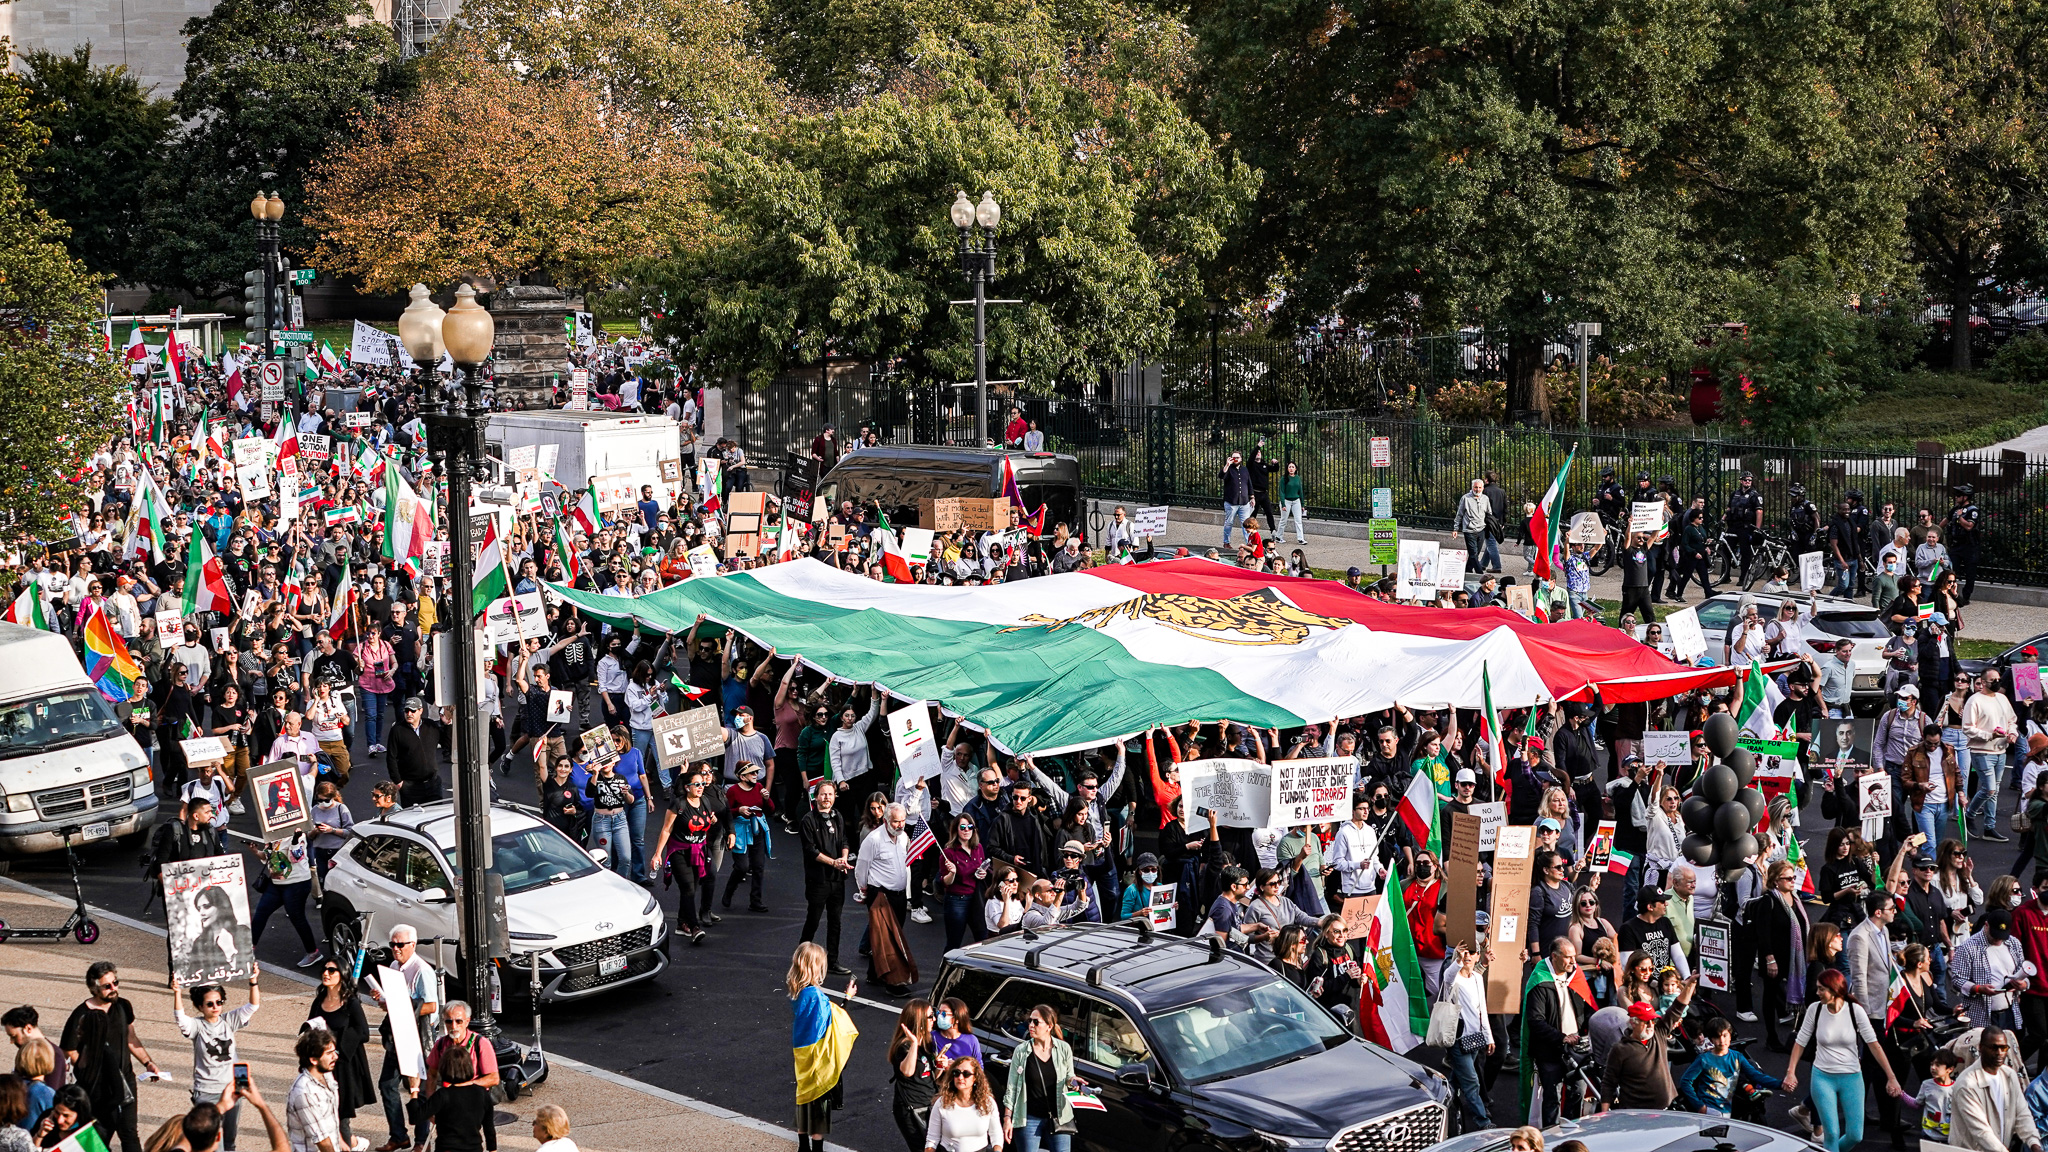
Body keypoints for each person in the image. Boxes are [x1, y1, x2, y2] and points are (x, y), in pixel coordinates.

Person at [1783, 968, 1902, 1152]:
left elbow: (1874, 1045)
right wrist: (1791, 1073)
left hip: (1851, 1077)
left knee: (1856, 1135)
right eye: (1817, 988)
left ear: (1835, 989)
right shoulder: (1815, 1010)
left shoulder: (1855, 1011)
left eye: (1822, 989)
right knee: (1831, 1134)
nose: (1817, 993)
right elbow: (1800, 1043)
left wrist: (1891, 1077)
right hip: (1822, 1077)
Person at [62, 961, 157, 1152]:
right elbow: (69, 1049)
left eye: (116, 983)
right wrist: (88, 1070)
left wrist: (148, 1063)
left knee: (129, 1133)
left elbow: (131, 1038)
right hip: (97, 1088)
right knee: (98, 1135)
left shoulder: (122, 1006)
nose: (114, 989)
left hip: (124, 1081)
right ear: (94, 988)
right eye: (107, 986)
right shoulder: (81, 1015)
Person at [173, 968, 260, 1151]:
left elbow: (253, 1006)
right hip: (207, 1093)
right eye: (210, 1004)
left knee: (229, 1142)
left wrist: (253, 981)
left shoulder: (229, 1020)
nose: (216, 1007)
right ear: (200, 1007)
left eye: (219, 1002)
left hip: (232, 1090)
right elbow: (181, 1019)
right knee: (213, 1145)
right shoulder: (197, 1026)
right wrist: (177, 992)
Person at [368, 925, 436, 1152]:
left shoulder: (422, 970)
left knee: (421, 1089)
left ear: (413, 945)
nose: (396, 949)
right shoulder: (394, 966)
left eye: (400, 945)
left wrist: (403, 1007)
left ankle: (421, 1141)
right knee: (387, 1085)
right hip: (397, 1033)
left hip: (415, 1036)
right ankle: (398, 1135)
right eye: (393, 945)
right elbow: (394, 1003)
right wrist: (384, 1000)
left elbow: (432, 1006)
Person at [789, 943, 857, 1152]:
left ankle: (802, 1147)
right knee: (819, 1108)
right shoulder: (816, 997)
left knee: (804, 1097)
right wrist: (847, 1000)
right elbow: (832, 1022)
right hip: (819, 1059)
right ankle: (816, 1148)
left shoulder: (797, 992)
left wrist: (845, 1000)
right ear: (815, 967)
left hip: (803, 1055)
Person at [1522, 938, 1596, 1125]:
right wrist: (1562, 1038)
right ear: (1554, 957)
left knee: (1576, 1094)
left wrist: (1585, 1031)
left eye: (1574, 957)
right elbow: (1535, 1021)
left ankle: (1571, 1139)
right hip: (1550, 1052)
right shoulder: (1539, 981)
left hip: (1576, 1049)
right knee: (1552, 1099)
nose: (1574, 962)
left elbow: (1588, 1008)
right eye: (1569, 957)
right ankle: (1551, 1140)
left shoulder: (1575, 976)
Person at [303, 960, 372, 1148]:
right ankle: (354, 1144)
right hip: (322, 1067)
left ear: (342, 974)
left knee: (341, 1117)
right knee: (323, 1114)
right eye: (324, 969)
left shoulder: (351, 1003)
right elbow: (311, 1026)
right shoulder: (319, 1000)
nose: (326, 973)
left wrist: (337, 1044)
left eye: (332, 970)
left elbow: (363, 1032)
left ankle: (350, 1145)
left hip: (344, 1066)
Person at [1601, 979, 1698, 1110]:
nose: (1651, 1025)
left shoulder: (1659, 1032)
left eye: (1653, 1020)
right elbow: (1608, 1083)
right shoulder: (1620, 1049)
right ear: (1633, 1022)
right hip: (1635, 1115)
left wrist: (1691, 984)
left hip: (1666, 1110)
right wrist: (1605, 1113)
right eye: (1646, 1021)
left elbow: (1677, 1007)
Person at [1948, 1026, 2043, 1152]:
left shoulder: (2009, 1075)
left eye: (2003, 1048)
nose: (1999, 1053)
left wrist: (2034, 1143)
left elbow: (2022, 1114)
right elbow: (1981, 1132)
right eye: (1994, 1048)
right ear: (1980, 1048)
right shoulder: (1967, 1084)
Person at [858, 802, 918, 994]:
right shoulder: (873, 840)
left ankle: (873, 974)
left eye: (903, 821)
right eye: (896, 821)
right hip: (880, 895)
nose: (900, 825)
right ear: (885, 821)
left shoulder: (903, 838)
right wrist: (864, 892)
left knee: (893, 933)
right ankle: (893, 982)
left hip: (899, 895)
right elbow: (861, 867)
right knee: (889, 939)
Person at [1001, 1006, 1078, 1152]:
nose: (1030, 1025)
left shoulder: (1063, 1048)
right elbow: (1012, 1087)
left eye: (1036, 1022)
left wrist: (1075, 1082)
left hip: (1059, 1117)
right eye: (1030, 1021)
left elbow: (1069, 1077)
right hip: (1029, 1117)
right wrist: (1007, 1118)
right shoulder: (1022, 1051)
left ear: (1049, 1026)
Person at [1678, 1015, 1782, 1116]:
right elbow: (1685, 1081)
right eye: (1717, 1037)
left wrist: (1781, 1084)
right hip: (1713, 1102)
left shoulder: (1733, 1054)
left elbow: (1755, 1074)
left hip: (1727, 1105)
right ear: (1711, 1039)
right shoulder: (1703, 1058)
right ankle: (1748, 1088)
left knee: (1750, 1065)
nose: (1722, 1040)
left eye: (1724, 1035)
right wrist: (1700, 1107)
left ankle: (1753, 1087)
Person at [799, 781, 854, 975]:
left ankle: (832, 961)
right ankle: (801, 958)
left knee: (835, 921)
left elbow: (844, 840)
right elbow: (810, 850)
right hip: (818, 880)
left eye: (830, 794)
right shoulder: (808, 820)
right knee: (813, 920)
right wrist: (833, 863)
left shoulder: (837, 816)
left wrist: (844, 858)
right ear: (815, 797)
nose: (827, 798)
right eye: (823, 794)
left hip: (837, 879)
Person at [402, 1044, 491, 1152]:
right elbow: (489, 1127)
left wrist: (414, 1089)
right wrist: (493, 1149)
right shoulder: (481, 1093)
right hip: (474, 1148)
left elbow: (415, 1117)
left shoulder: (443, 1095)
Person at [1951, 907, 2028, 1030]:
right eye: (1995, 935)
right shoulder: (1968, 947)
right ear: (1986, 925)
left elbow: (2023, 971)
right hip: (1981, 1015)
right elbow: (1957, 980)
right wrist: (1978, 988)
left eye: (2002, 936)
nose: (1998, 940)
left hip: (2010, 1011)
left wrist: (2023, 985)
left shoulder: (2014, 943)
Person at [1443, 942, 1492, 1130]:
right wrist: (1457, 957)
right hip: (1457, 1038)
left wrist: (1489, 1036)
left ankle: (1442, 1103)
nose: (1467, 956)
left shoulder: (1477, 978)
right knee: (1472, 1082)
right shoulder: (1453, 979)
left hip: (1475, 1038)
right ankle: (1483, 1122)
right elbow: (1448, 976)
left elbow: (1482, 1010)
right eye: (1464, 953)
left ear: (1477, 956)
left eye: (1472, 952)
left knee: (1457, 1079)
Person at [889, 1000, 939, 1152]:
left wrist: (940, 1067)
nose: (935, 1019)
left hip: (929, 1103)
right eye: (930, 1016)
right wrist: (914, 1044)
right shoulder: (903, 1046)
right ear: (919, 1021)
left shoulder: (929, 1041)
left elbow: (930, 1076)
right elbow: (908, 1071)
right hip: (912, 1108)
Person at [924, 1056, 1001, 1152]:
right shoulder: (942, 1103)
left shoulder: (988, 1102)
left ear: (975, 1078)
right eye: (956, 1073)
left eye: (966, 1074)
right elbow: (932, 1139)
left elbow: (996, 1134)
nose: (960, 1077)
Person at [286, 1027, 342, 1152]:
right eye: (329, 1053)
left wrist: (340, 1141)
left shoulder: (326, 1075)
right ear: (313, 1060)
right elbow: (322, 1141)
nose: (335, 1057)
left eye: (334, 1051)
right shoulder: (304, 1093)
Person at [3, 1009, 68, 1094]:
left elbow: (49, 1094)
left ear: (28, 1028)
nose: (11, 1041)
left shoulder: (54, 1054)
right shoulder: (25, 1051)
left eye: (14, 1036)